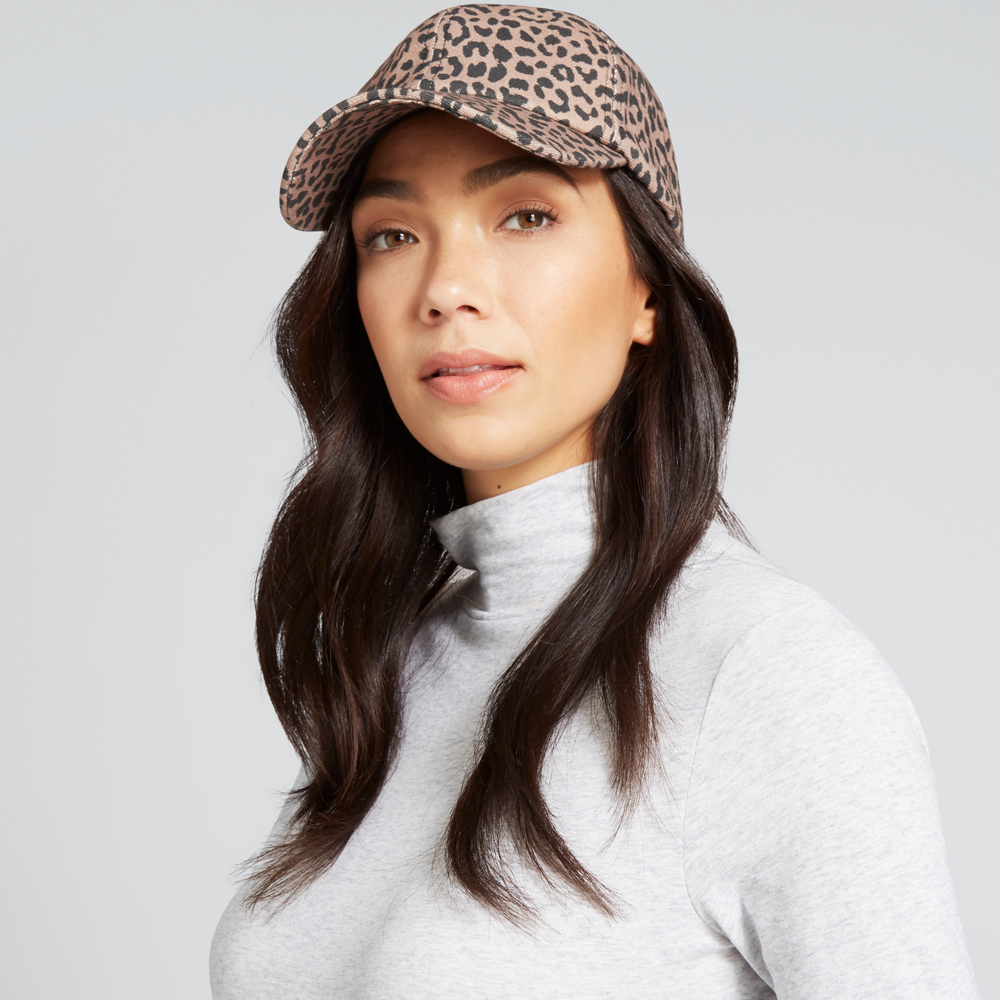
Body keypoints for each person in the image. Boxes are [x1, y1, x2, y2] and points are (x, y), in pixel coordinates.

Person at [209, 6, 979, 998]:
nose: (445, 289)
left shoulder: (761, 673)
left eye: (525, 216)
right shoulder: (397, 665)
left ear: (645, 287)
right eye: (392, 234)